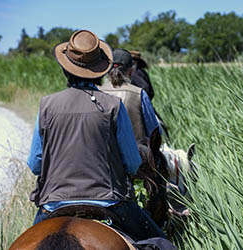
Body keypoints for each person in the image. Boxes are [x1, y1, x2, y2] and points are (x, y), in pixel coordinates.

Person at [27, 30, 166, 241]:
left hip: (53, 203)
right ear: (100, 71)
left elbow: (35, 164)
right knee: (162, 242)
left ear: (65, 69)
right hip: (109, 202)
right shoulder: (113, 106)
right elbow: (132, 163)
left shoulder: (46, 105)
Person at [99, 48, 160, 149]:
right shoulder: (140, 94)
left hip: (105, 157)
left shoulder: (96, 92)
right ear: (131, 71)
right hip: (138, 157)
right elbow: (154, 130)